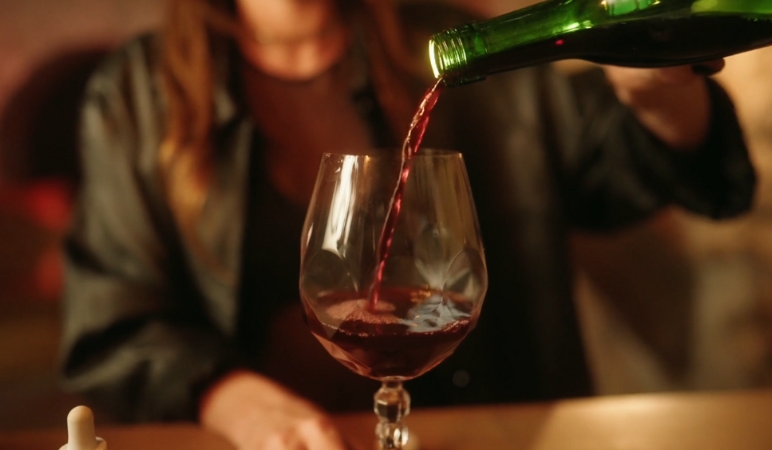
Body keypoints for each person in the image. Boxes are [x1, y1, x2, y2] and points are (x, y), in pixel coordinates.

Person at [59, 0, 756, 448]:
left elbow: (650, 169)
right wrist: (233, 401)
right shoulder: (134, 97)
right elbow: (113, 326)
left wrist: (651, 84)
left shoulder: (467, 52)